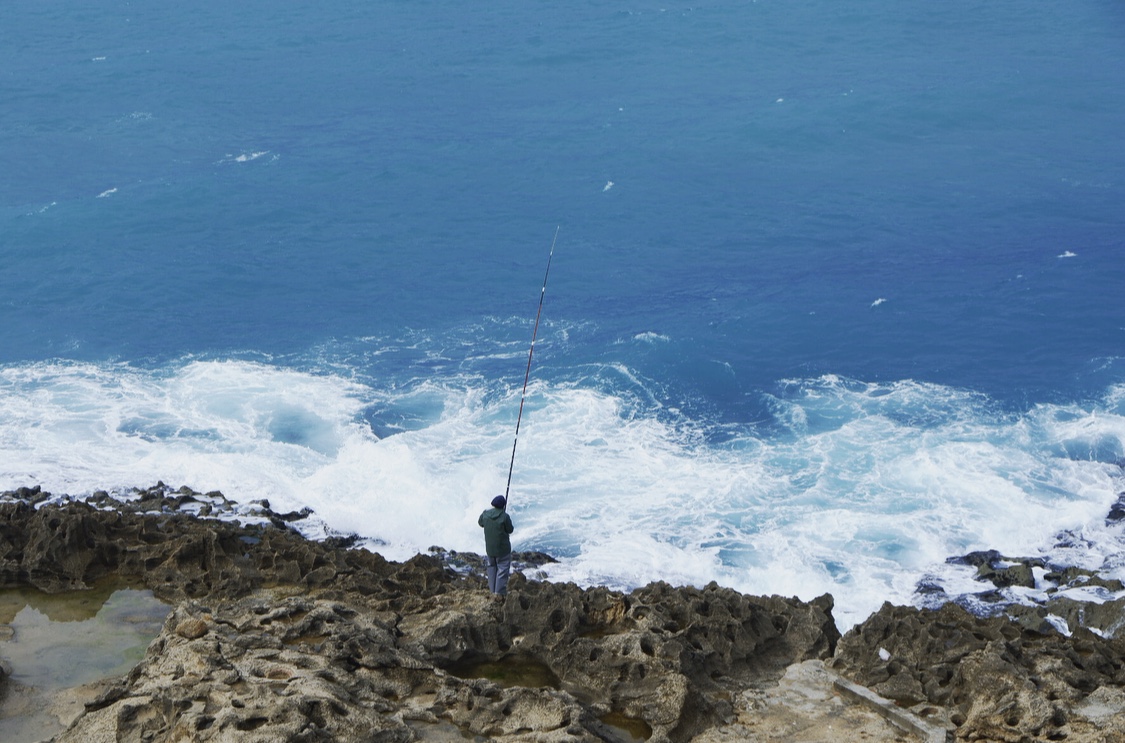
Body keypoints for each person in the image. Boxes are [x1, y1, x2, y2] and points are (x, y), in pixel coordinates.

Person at [478, 494, 514, 597]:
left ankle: (492, 591)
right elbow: (510, 529)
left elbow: (480, 523)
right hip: (502, 550)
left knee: (492, 569)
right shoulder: (504, 516)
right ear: (503, 506)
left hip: (490, 550)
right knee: (502, 570)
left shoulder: (485, 514)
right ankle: (499, 594)